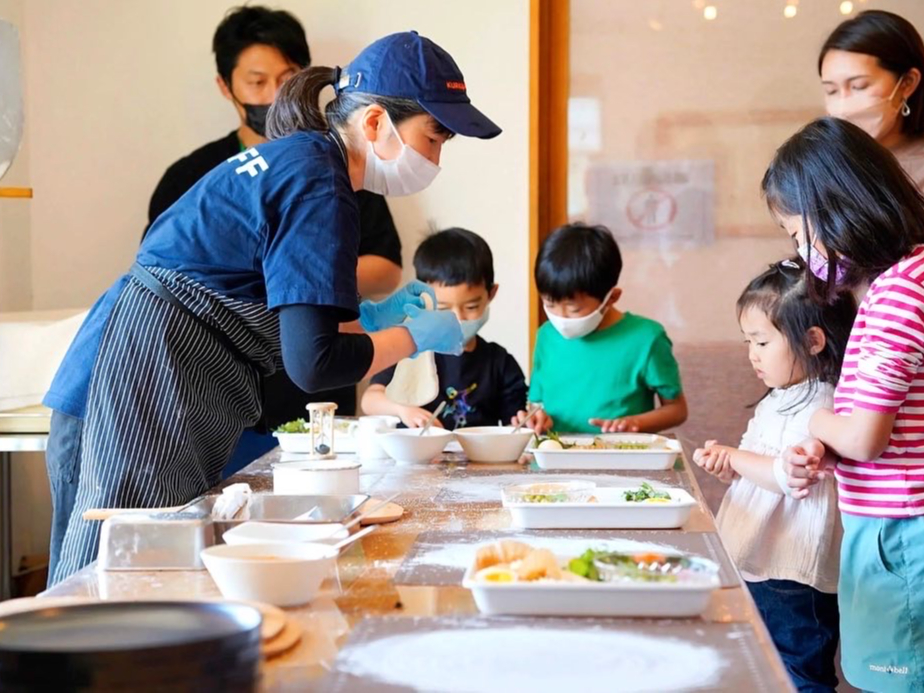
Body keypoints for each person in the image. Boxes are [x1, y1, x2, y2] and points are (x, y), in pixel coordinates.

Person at [42, 31, 501, 586]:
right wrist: (414, 337)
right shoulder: (320, 182)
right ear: (376, 121)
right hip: (145, 373)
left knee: (140, 571)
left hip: (154, 363)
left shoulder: (309, 163)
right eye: (433, 137)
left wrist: (373, 316)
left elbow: (285, 303)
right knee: (114, 577)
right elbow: (315, 362)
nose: (435, 158)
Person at [145, 8, 404, 465]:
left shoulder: (340, 170)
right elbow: (169, 282)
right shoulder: (192, 175)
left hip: (314, 390)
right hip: (215, 396)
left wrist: (310, 283)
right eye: (257, 82)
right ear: (225, 86)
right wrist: (297, 277)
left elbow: (385, 265)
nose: (274, 94)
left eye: (286, 78)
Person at [769, 117, 924, 692]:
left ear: (839, 206)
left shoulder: (898, 292)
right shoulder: (902, 281)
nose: (800, 252)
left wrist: (814, 419)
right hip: (893, 521)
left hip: (899, 532)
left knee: (894, 680)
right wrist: (827, 447)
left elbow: (865, 437)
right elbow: (896, 426)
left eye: (798, 234)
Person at [694, 261, 855, 692]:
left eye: (762, 341)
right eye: (748, 341)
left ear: (813, 341)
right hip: (761, 560)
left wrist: (735, 456)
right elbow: (757, 472)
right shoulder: (778, 398)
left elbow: (787, 478)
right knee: (765, 664)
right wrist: (728, 467)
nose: (752, 354)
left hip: (792, 571)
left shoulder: (822, 403)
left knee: (799, 673)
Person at [519, 223, 687, 435]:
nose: (560, 318)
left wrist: (635, 423)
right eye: (550, 304)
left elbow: (677, 410)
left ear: (612, 297)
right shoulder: (546, 336)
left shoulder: (646, 338)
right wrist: (536, 419)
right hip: (555, 452)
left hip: (620, 453)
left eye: (574, 309)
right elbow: (536, 405)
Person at [362, 228, 527, 430]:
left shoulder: (499, 363)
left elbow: (517, 422)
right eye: (443, 309)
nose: (457, 318)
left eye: (471, 307)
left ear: (491, 294)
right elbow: (370, 400)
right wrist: (403, 410)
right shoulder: (409, 351)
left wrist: (529, 420)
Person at [820, 9, 924, 189]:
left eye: (859, 86)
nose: (843, 106)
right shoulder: (825, 162)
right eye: (831, 90)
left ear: (907, 83)